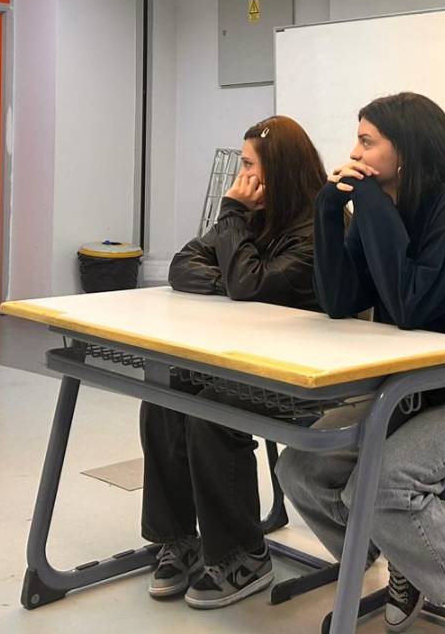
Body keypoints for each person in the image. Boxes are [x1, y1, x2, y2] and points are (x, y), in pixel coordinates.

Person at [276, 93, 445, 634]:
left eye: (367, 141)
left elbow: (412, 304)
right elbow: (341, 301)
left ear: (407, 149)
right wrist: (328, 214)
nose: (354, 153)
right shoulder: (382, 210)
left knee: (382, 485)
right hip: (411, 397)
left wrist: (370, 203)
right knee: (301, 469)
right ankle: (409, 558)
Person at [140, 116, 325, 608]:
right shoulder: (253, 218)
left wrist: (234, 232)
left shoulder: (318, 227)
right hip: (244, 359)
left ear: (278, 170)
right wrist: (235, 280)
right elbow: (184, 265)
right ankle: (179, 538)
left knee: (210, 413)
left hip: (300, 374)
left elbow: (251, 284)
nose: (240, 177)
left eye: (248, 165)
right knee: (164, 393)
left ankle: (244, 554)